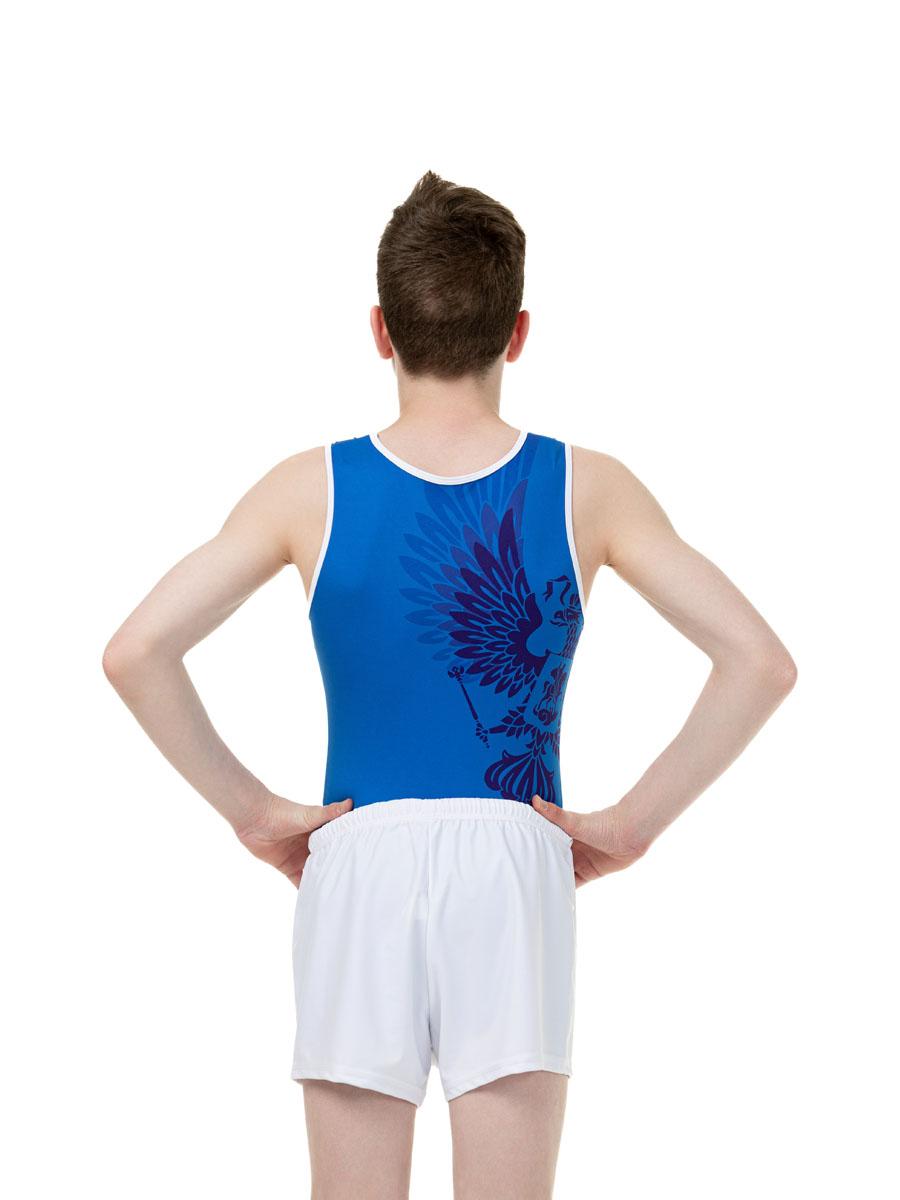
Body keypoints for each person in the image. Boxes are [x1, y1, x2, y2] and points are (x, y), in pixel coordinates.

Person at [102, 171, 797, 1200]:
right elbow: (759, 662)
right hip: (518, 852)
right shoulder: (588, 487)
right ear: (517, 333)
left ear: (380, 330)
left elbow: (137, 652)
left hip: (355, 852)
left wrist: (253, 813)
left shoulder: (308, 488)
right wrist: (630, 826)